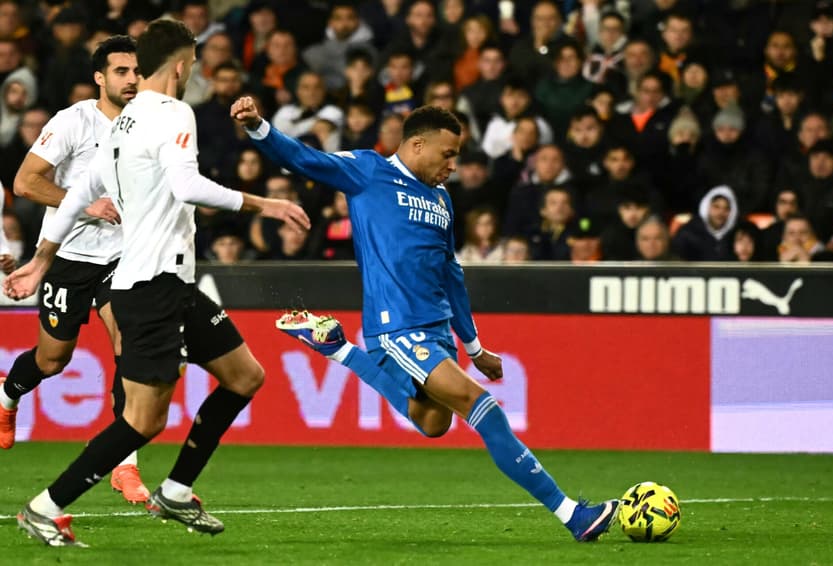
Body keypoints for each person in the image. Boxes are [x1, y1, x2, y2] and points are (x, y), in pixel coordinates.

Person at [230, 98, 619, 542]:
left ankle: (337, 348)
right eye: (448, 154)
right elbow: (303, 158)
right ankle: (572, 514)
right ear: (417, 145)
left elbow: (451, 273)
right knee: (482, 408)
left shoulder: (441, 199)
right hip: (396, 326)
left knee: (434, 423)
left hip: (436, 329)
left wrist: (473, 346)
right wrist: (259, 126)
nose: (453, 165)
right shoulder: (367, 171)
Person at [3, 19, 310, 547]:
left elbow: (79, 193)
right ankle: (44, 507)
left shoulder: (124, 122)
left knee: (245, 376)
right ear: (183, 63)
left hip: (168, 282)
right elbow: (186, 185)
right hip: (150, 287)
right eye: (194, 62)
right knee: (143, 420)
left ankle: (176, 489)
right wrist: (267, 203)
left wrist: (40, 257)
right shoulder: (171, 111)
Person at [0, 35, 151, 505]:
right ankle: (7, 398)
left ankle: (125, 464)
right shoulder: (75, 121)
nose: (131, 79)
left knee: (129, 341)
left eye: (136, 71)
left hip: (126, 256)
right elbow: (26, 183)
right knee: (52, 360)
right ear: (100, 78)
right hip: (68, 256)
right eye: (121, 71)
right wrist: (87, 205)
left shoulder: (153, 124)